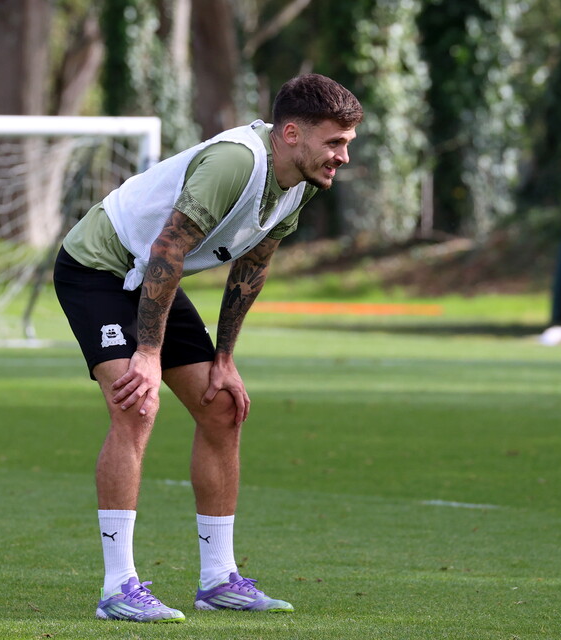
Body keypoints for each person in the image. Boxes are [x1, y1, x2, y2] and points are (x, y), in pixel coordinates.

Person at [54, 73, 362, 623]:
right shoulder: (235, 163)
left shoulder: (300, 182)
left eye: (347, 144)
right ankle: (117, 587)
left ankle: (218, 580)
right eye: (334, 142)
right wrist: (147, 354)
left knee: (222, 408)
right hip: (101, 267)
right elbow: (168, 248)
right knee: (136, 403)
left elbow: (253, 265)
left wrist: (224, 359)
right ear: (292, 133)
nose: (342, 155)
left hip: (154, 274)